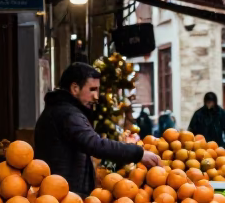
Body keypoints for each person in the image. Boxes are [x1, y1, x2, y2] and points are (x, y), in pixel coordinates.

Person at [35, 62, 161, 195]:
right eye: (92, 89)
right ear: (75, 88)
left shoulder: (61, 109)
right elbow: (95, 144)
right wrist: (138, 153)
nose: (96, 96)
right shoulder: (67, 114)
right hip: (62, 195)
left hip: (63, 193)